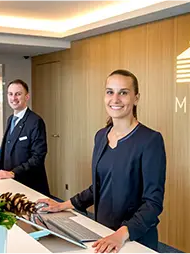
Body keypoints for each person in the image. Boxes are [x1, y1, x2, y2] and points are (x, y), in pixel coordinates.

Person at [37, 69, 166, 253]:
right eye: (110, 92)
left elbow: (153, 202)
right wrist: (62, 205)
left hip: (134, 238)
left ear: (136, 98)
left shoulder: (150, 140)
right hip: (102, 232)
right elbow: (98, 186)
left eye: (123, 92)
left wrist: (120, 235)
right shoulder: (101, 136)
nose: (115, 99)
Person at [0, 79, 50, 196]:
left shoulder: (35, 121)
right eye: (10, 94)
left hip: (30, 185)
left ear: (27, 97)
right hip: (11, 183)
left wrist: (13, 173)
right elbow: (8, 154)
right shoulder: (10, 119)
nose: (14, 98)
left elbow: (37, 158)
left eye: (18, 94)